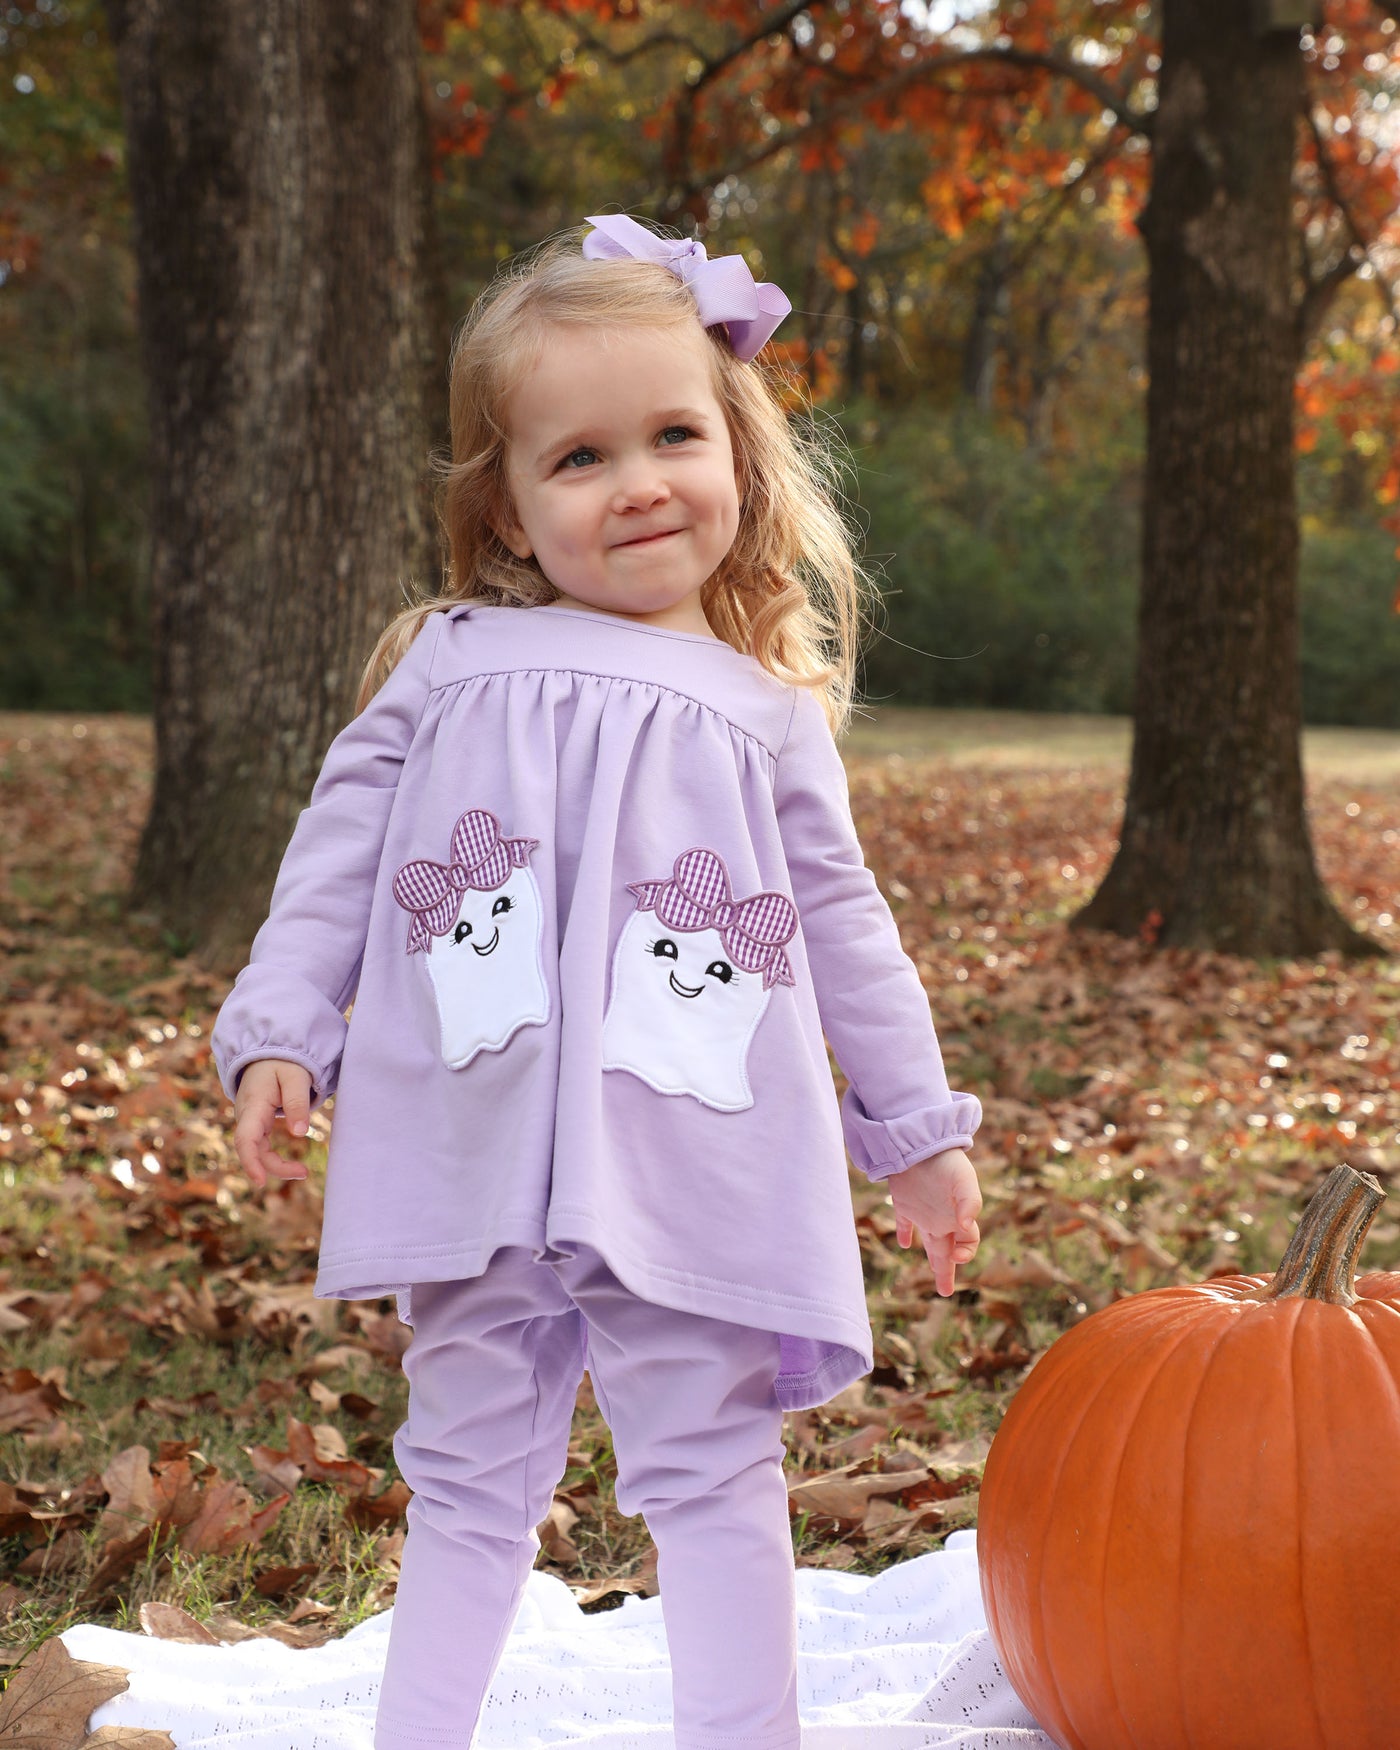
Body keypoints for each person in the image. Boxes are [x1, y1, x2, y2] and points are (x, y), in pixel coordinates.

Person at [212, 211, 984, 1750]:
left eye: (674, 435)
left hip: (685, 1150)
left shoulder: (766, 715)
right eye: (578, 458)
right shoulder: (448, 663)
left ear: (740, 457)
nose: (637, 481)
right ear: (505, 510)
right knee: (466, 1473)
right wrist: (284, 1027)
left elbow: (848, 929)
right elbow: (339, 853)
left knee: (709, 1467)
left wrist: (914, 1128)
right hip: (478, 1141)